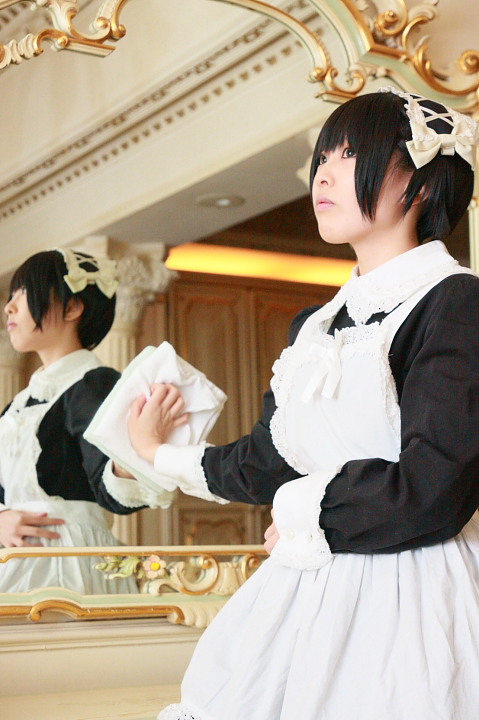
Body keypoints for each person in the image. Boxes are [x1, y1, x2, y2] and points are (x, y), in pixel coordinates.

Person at [127, 88, 479, 718]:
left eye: (352, 155)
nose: (323, 173)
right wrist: (159, 453)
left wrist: (300, 512)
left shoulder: (456, 302)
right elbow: (267, 462)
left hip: (418, 595)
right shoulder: (314, 325)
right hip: (309, 589)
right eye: (323, 156)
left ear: (423, 184)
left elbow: (433, 490)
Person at [0, 248, 156, 594]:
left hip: (67, 563)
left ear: (72, 308)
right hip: (14, 558)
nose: (9, 306)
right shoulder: (19, 404)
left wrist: (136, 457)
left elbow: (116, 494)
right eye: (11, 295)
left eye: (24, 292)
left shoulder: (95, 386)